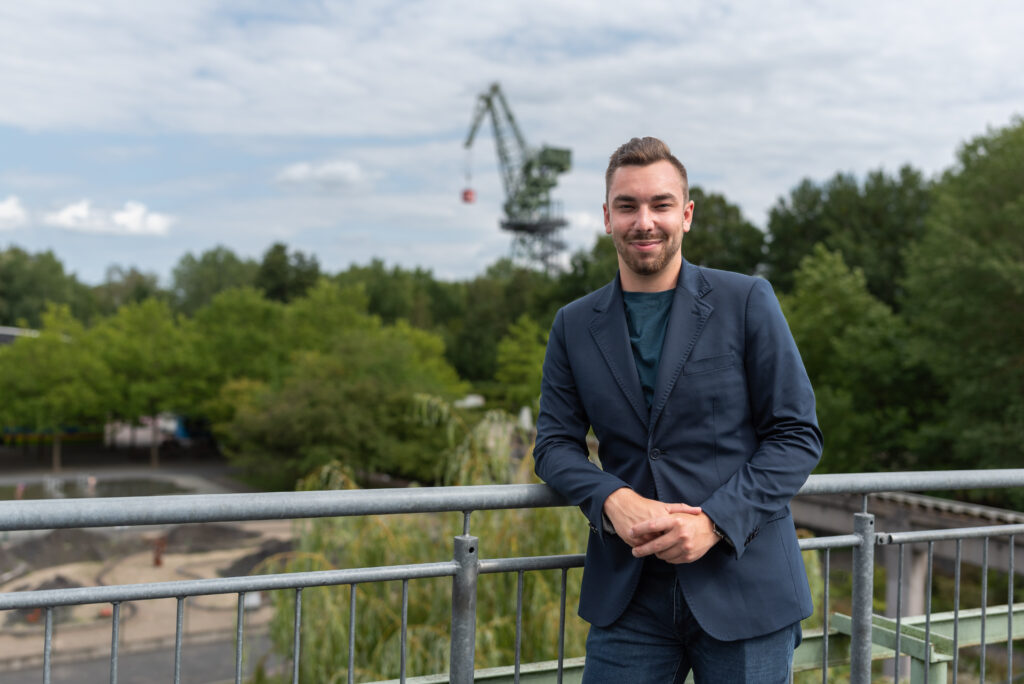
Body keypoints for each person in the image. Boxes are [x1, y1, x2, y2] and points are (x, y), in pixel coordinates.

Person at [533, 136, 823, 683]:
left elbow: (796, 436)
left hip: (745, 583)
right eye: (627, 206)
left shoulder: (746, 300)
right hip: (629, 595)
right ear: (607, 217)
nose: (644, 221)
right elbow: (552, 446)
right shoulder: (573, 324)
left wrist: (715, 522)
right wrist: (610, 498)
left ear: (685, 215)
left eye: (660, 204)